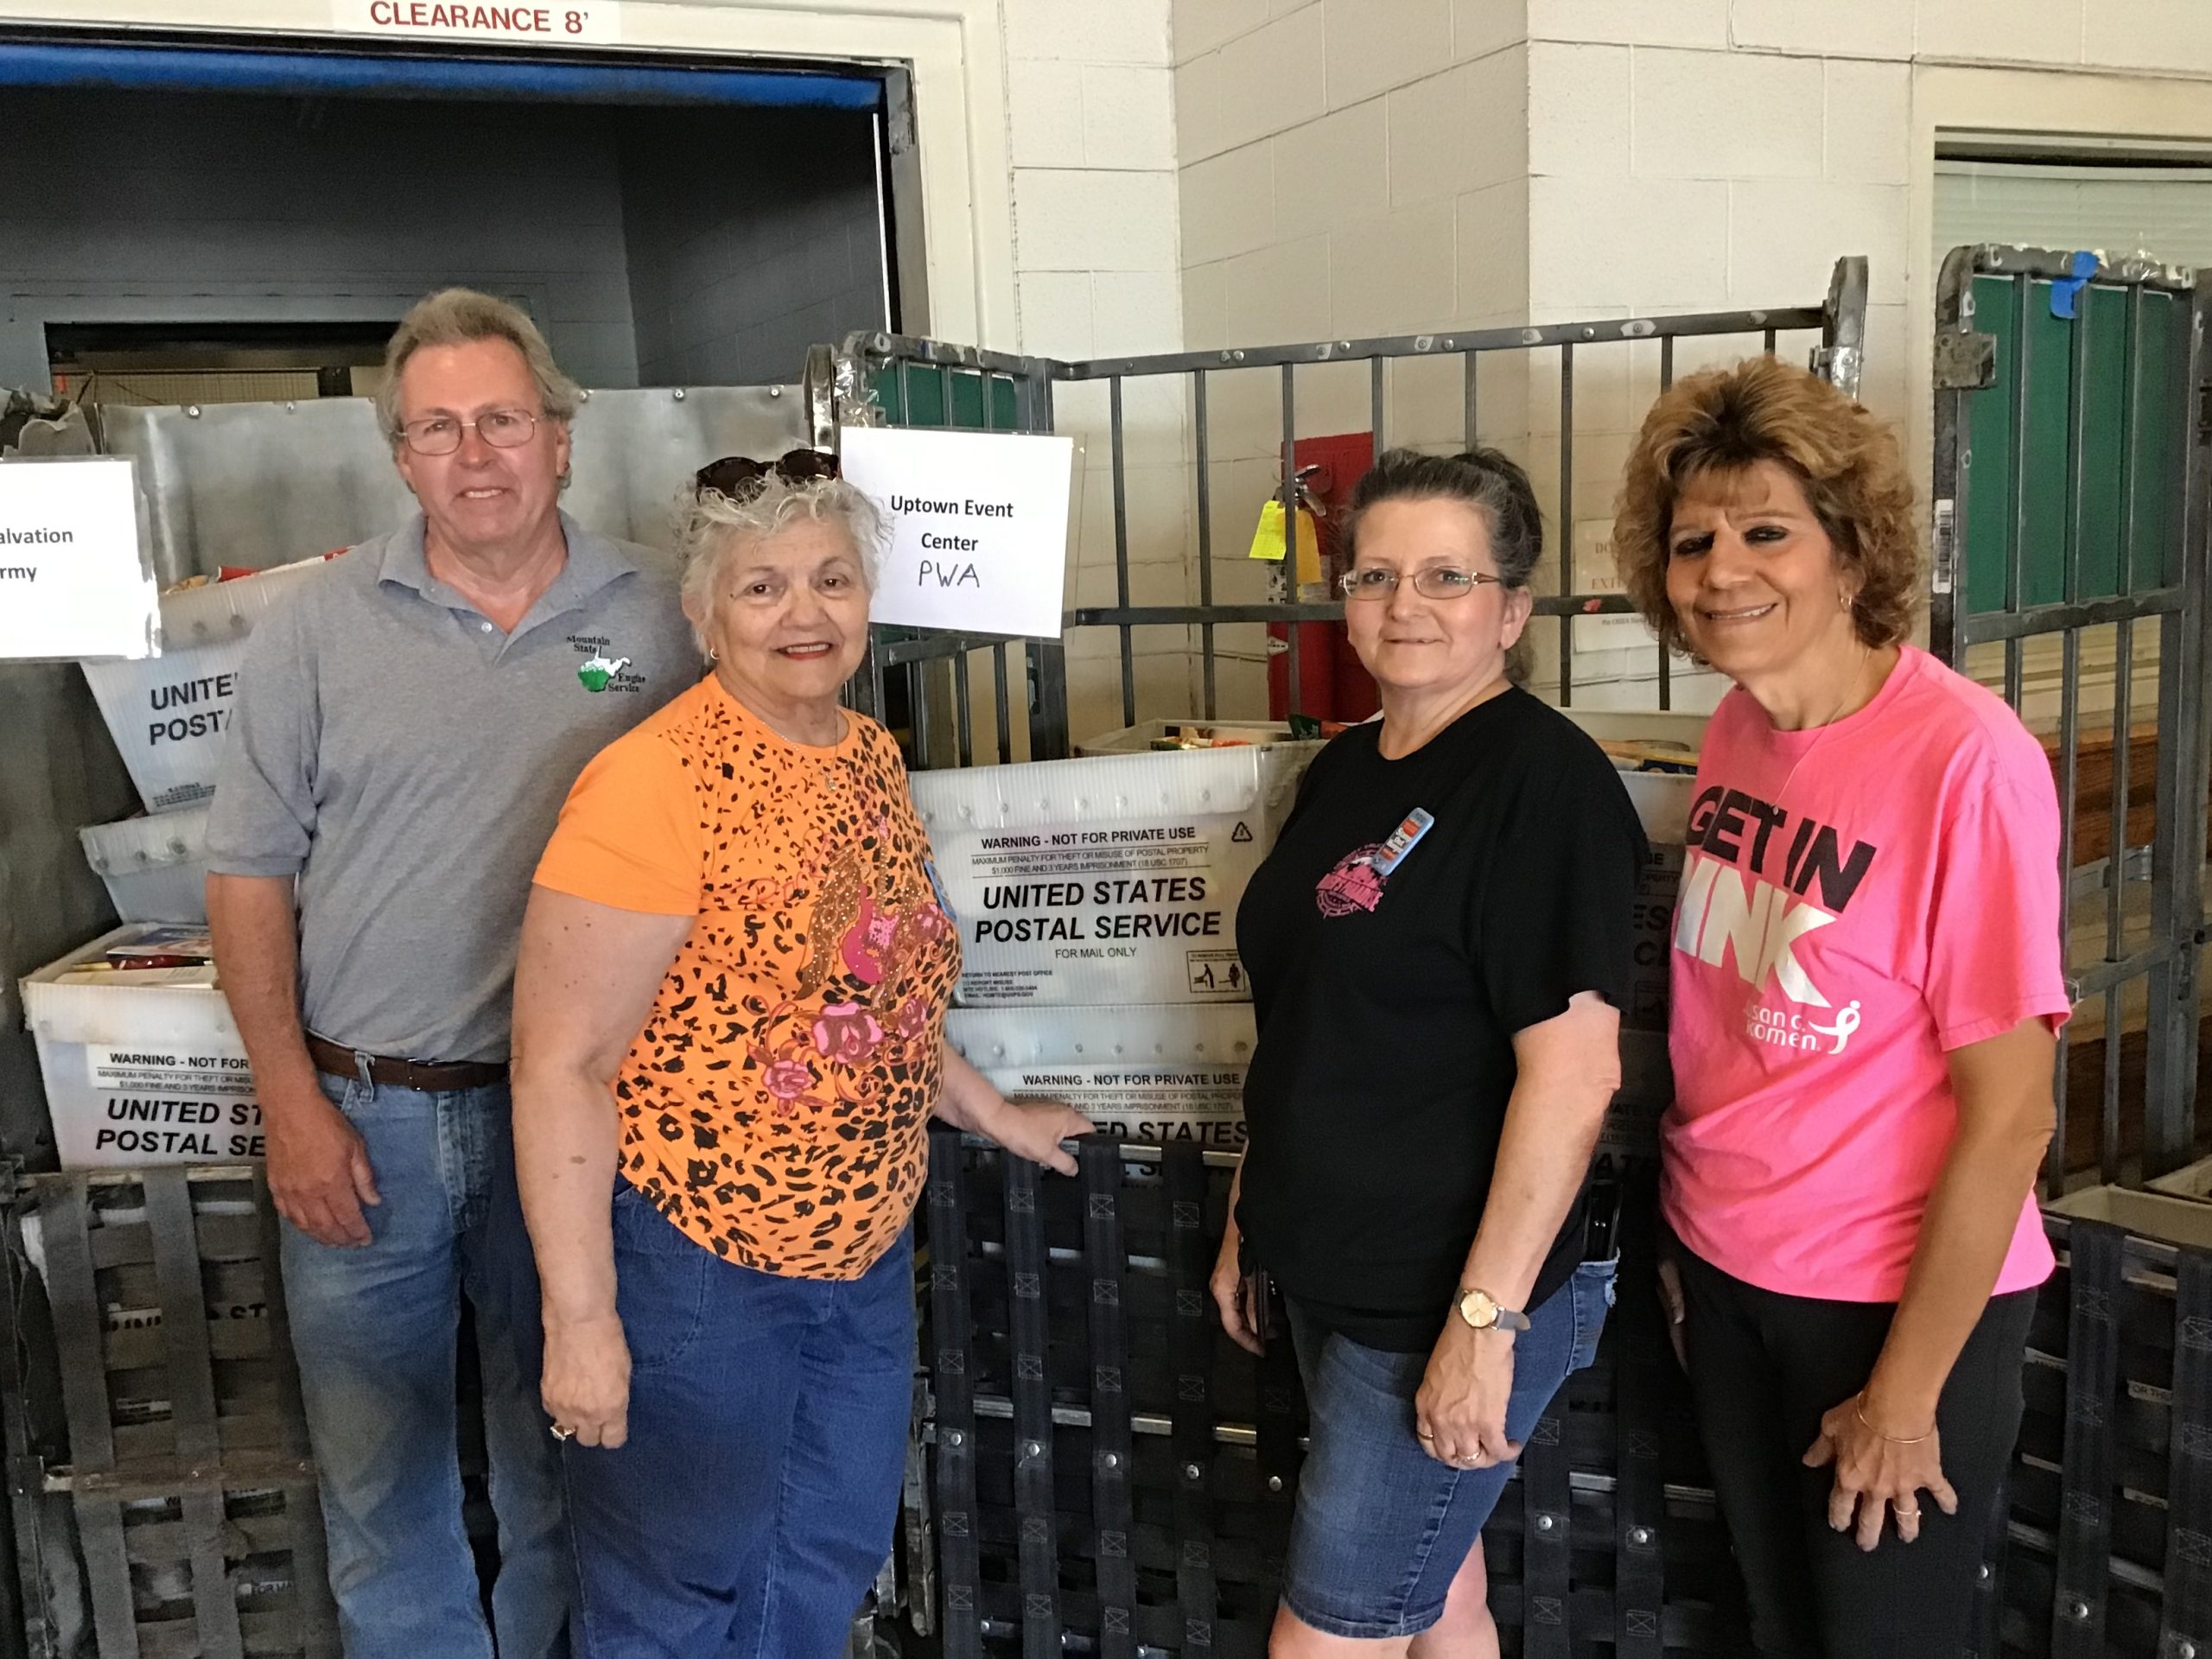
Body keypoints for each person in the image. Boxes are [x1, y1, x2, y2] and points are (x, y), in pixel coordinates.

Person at [508, 453, 1093, 1659]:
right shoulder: (650, 782)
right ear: (702, 613)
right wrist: (581, 1318)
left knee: (817, 1566)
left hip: (861, 1255)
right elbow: (559, 1065)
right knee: (677, 1590)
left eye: (831, 579)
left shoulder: (866, 757)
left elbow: (876, 996)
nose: (805, 613)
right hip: (696, 1256)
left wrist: (994, 1115)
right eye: (763, 587)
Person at [205, 289, 697, 1659]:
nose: (475, 454)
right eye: (438, 428)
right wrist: (291, 1105)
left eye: (502, 420)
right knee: (383, 1479)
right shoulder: (315, 629)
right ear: (400, 455)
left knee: (573, 1455)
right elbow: (247, 878)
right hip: (370, 1125)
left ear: (560, 438)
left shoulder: (663, 616)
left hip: (596, 1124)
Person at [1611, 355, 2068, 1657]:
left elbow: (2011, 1117)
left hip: (1893, 1297)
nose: (1723, 569)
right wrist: (1700, 1245)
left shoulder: (1964, 761)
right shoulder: (1737, 733)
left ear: (1853, 552)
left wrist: (1909, 1394)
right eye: (1694, 539)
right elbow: (1733, 1025)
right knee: (1778, 1622)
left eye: (1767, 530)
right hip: (1734, 1265)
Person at [1211, 448, 1645, 1656]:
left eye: (1448, 576)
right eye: (1378, 574)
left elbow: (1574, 1073)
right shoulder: (1348, 768)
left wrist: (1483, 1322)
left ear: (1512, 610)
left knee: (1331, 1636)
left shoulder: (1542, 787)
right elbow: (1311, 1012)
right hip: (1331, 1263)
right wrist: (1257, 1207)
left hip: (1439, 1291)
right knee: (1437, 1590)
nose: (1406, 605)